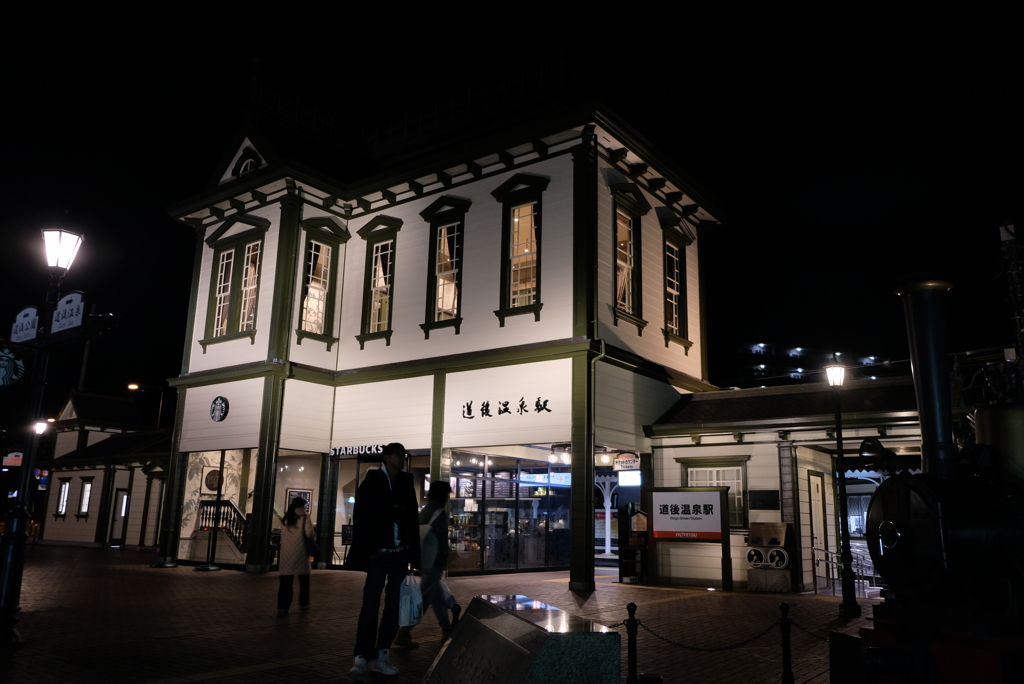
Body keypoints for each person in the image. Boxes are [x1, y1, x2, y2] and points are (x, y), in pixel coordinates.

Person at [348, 443, 420, 681]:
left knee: (393, 606)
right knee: (370, 603)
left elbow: (412, 521)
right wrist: (370, 550)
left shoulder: (406, 483)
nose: (403, 459)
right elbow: (361, 517)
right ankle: (361, 656)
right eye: (399, 455)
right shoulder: (372, 481)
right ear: (388, 457)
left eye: (404, 455)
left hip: (399, 552)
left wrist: (413, 554)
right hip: (379, 553)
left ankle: (382, 654)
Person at [394, 480, 455, 648]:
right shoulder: (440, 513)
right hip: (434, 561)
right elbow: (442, 541)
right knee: (424, 598)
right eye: (447, 494)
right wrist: (444, 559)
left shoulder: (424, 511)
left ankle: (447, 628)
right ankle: (404, 632)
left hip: (424, 560)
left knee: (433, 595)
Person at [277, 496, 315, 615]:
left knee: (285, 582)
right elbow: (309, 534)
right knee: (304, 580)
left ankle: (283, 607)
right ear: (302, 506)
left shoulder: (286, 518)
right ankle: (303, 604)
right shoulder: (305, 517)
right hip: (300, 553)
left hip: (286, 553)